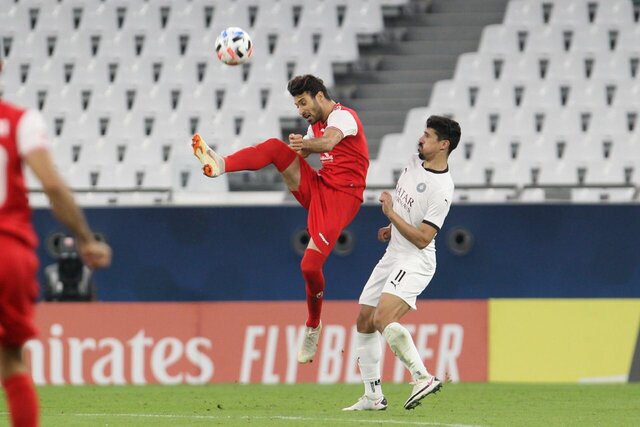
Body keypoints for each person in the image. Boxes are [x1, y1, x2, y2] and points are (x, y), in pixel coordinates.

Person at [192, 74, 369, 363]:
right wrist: (301, 148)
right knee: (275, 148)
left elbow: (327, 144)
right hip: (320, 188)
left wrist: (307, 145)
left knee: (310, 267)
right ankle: (222, 163)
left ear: (320, 96)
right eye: (297, 105)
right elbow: (313, 150)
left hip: (343, 198)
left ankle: (313, 326)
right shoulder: (315, 125)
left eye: (303, 102)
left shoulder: (344, 117)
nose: (300, 110)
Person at [0, 58, 112, 426]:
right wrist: (85, 238)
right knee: (12, 360)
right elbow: (51, 185)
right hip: (8, 251)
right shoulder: (20, 121)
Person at [343, 115, 460, 412]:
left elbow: (423, 238)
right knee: (365, 321)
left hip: (416, 259)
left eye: (428, 135)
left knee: (383, 318)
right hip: (394, 253)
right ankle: (373, 396)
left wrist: (391, 214)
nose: (421, 139)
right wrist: (393, 227)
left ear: (443, 145)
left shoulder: (442, 189)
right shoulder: (414, 161)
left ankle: (422, 377)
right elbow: (409, 209)